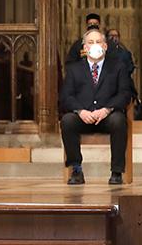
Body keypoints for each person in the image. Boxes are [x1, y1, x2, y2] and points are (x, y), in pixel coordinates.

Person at [59, 28, 133, 185]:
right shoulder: (74, 69)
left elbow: (125, 93)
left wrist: (107, 109)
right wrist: (80, 111)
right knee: (67, 121)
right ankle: (76, 169)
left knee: (119, 120)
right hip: (83, 117)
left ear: (105, 46)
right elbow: (66, 97)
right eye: (90, 42)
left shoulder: (118, 67)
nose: (95, 45)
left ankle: (117, 171)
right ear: (85, 48)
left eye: (98, 42)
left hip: (107, 116)